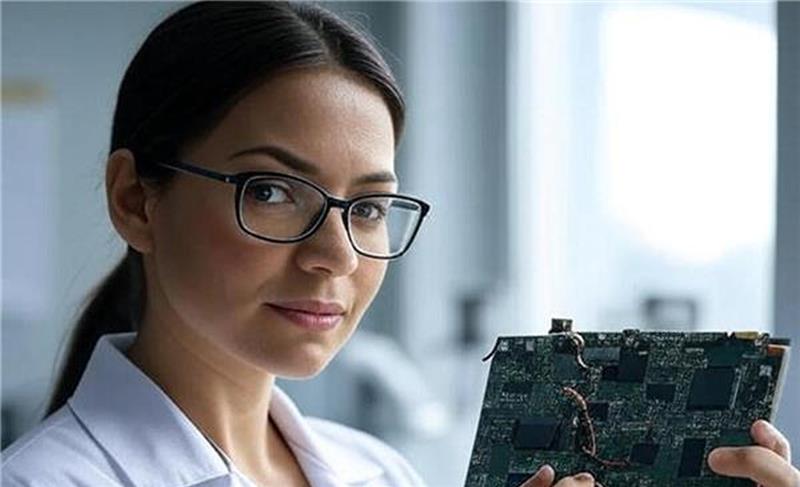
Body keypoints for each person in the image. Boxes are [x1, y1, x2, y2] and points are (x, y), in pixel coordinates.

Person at [2, 2, 799, 487]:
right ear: (135, 200)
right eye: (272, 190)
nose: (338, 256)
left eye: (370, 207)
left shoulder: (378, 470)